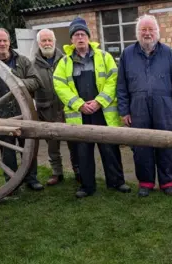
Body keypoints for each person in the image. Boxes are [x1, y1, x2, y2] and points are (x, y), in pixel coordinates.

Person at [53, 17, 131, 198]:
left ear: (89, 37)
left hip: (102, 113)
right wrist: (79, 104)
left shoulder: (104, 57)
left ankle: (117, 182)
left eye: (83, 34)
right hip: (79, 115)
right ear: (71, 40)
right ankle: (87, 186)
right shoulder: (64, 63)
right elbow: (59, 85)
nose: (80, 38)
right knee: (83, 152)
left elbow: (113, 80)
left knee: (110, 149)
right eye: (76, 35)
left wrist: (99, 102)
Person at [117, 14, 172, 197]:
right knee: (141, 146)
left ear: (157, 32)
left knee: (166, 143)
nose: (147, 33)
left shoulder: (169, 53)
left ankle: (167, 182)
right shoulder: (127, 54)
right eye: (143, 30)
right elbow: (122, 85)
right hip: (138, 106)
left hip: (164, 105)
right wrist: (124, 110)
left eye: (151, 29)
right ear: (138, 33)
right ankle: (146, 183)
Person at [0, 27, 44, 192]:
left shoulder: (23, 62)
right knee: (7, 151)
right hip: (0, 114)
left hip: (23, 112)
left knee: (28, 147)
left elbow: (36, 81)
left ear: (10, 42)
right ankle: (11, 182)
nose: (2, 44)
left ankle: (31, 179)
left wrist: (17, 82)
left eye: (5, 40)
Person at [33, 28, 80, 185]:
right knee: (52, 145)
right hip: (46, 109)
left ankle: (78, 171)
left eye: (49, 40)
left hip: (67, 108)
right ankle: (57, 173)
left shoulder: (66, 60)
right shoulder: (32, 65)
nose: (47, 43)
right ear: (39, 43)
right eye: (44, 41)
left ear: (54, 42)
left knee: (74, 142)